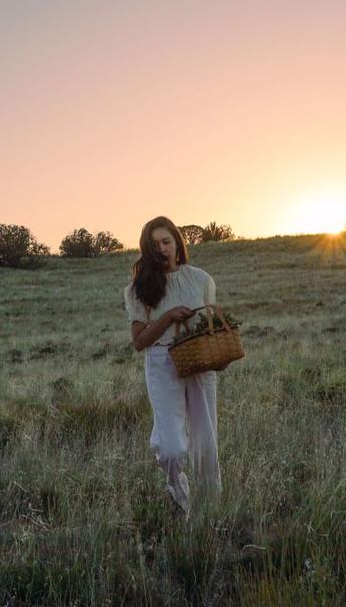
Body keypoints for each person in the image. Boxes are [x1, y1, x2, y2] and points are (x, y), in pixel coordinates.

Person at [123, 216, 222, 517]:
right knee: (171, 447)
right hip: (162, 362)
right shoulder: (139, 289)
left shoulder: (202, 280)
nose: (163, 249)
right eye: (155, 245)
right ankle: (179, 497)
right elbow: (139, 342)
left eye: (167, 241)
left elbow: (214, 325)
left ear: (178, 244)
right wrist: (167, 318)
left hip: (199, 360)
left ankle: (209, 515)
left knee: (206, 444)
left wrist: (220, 353)